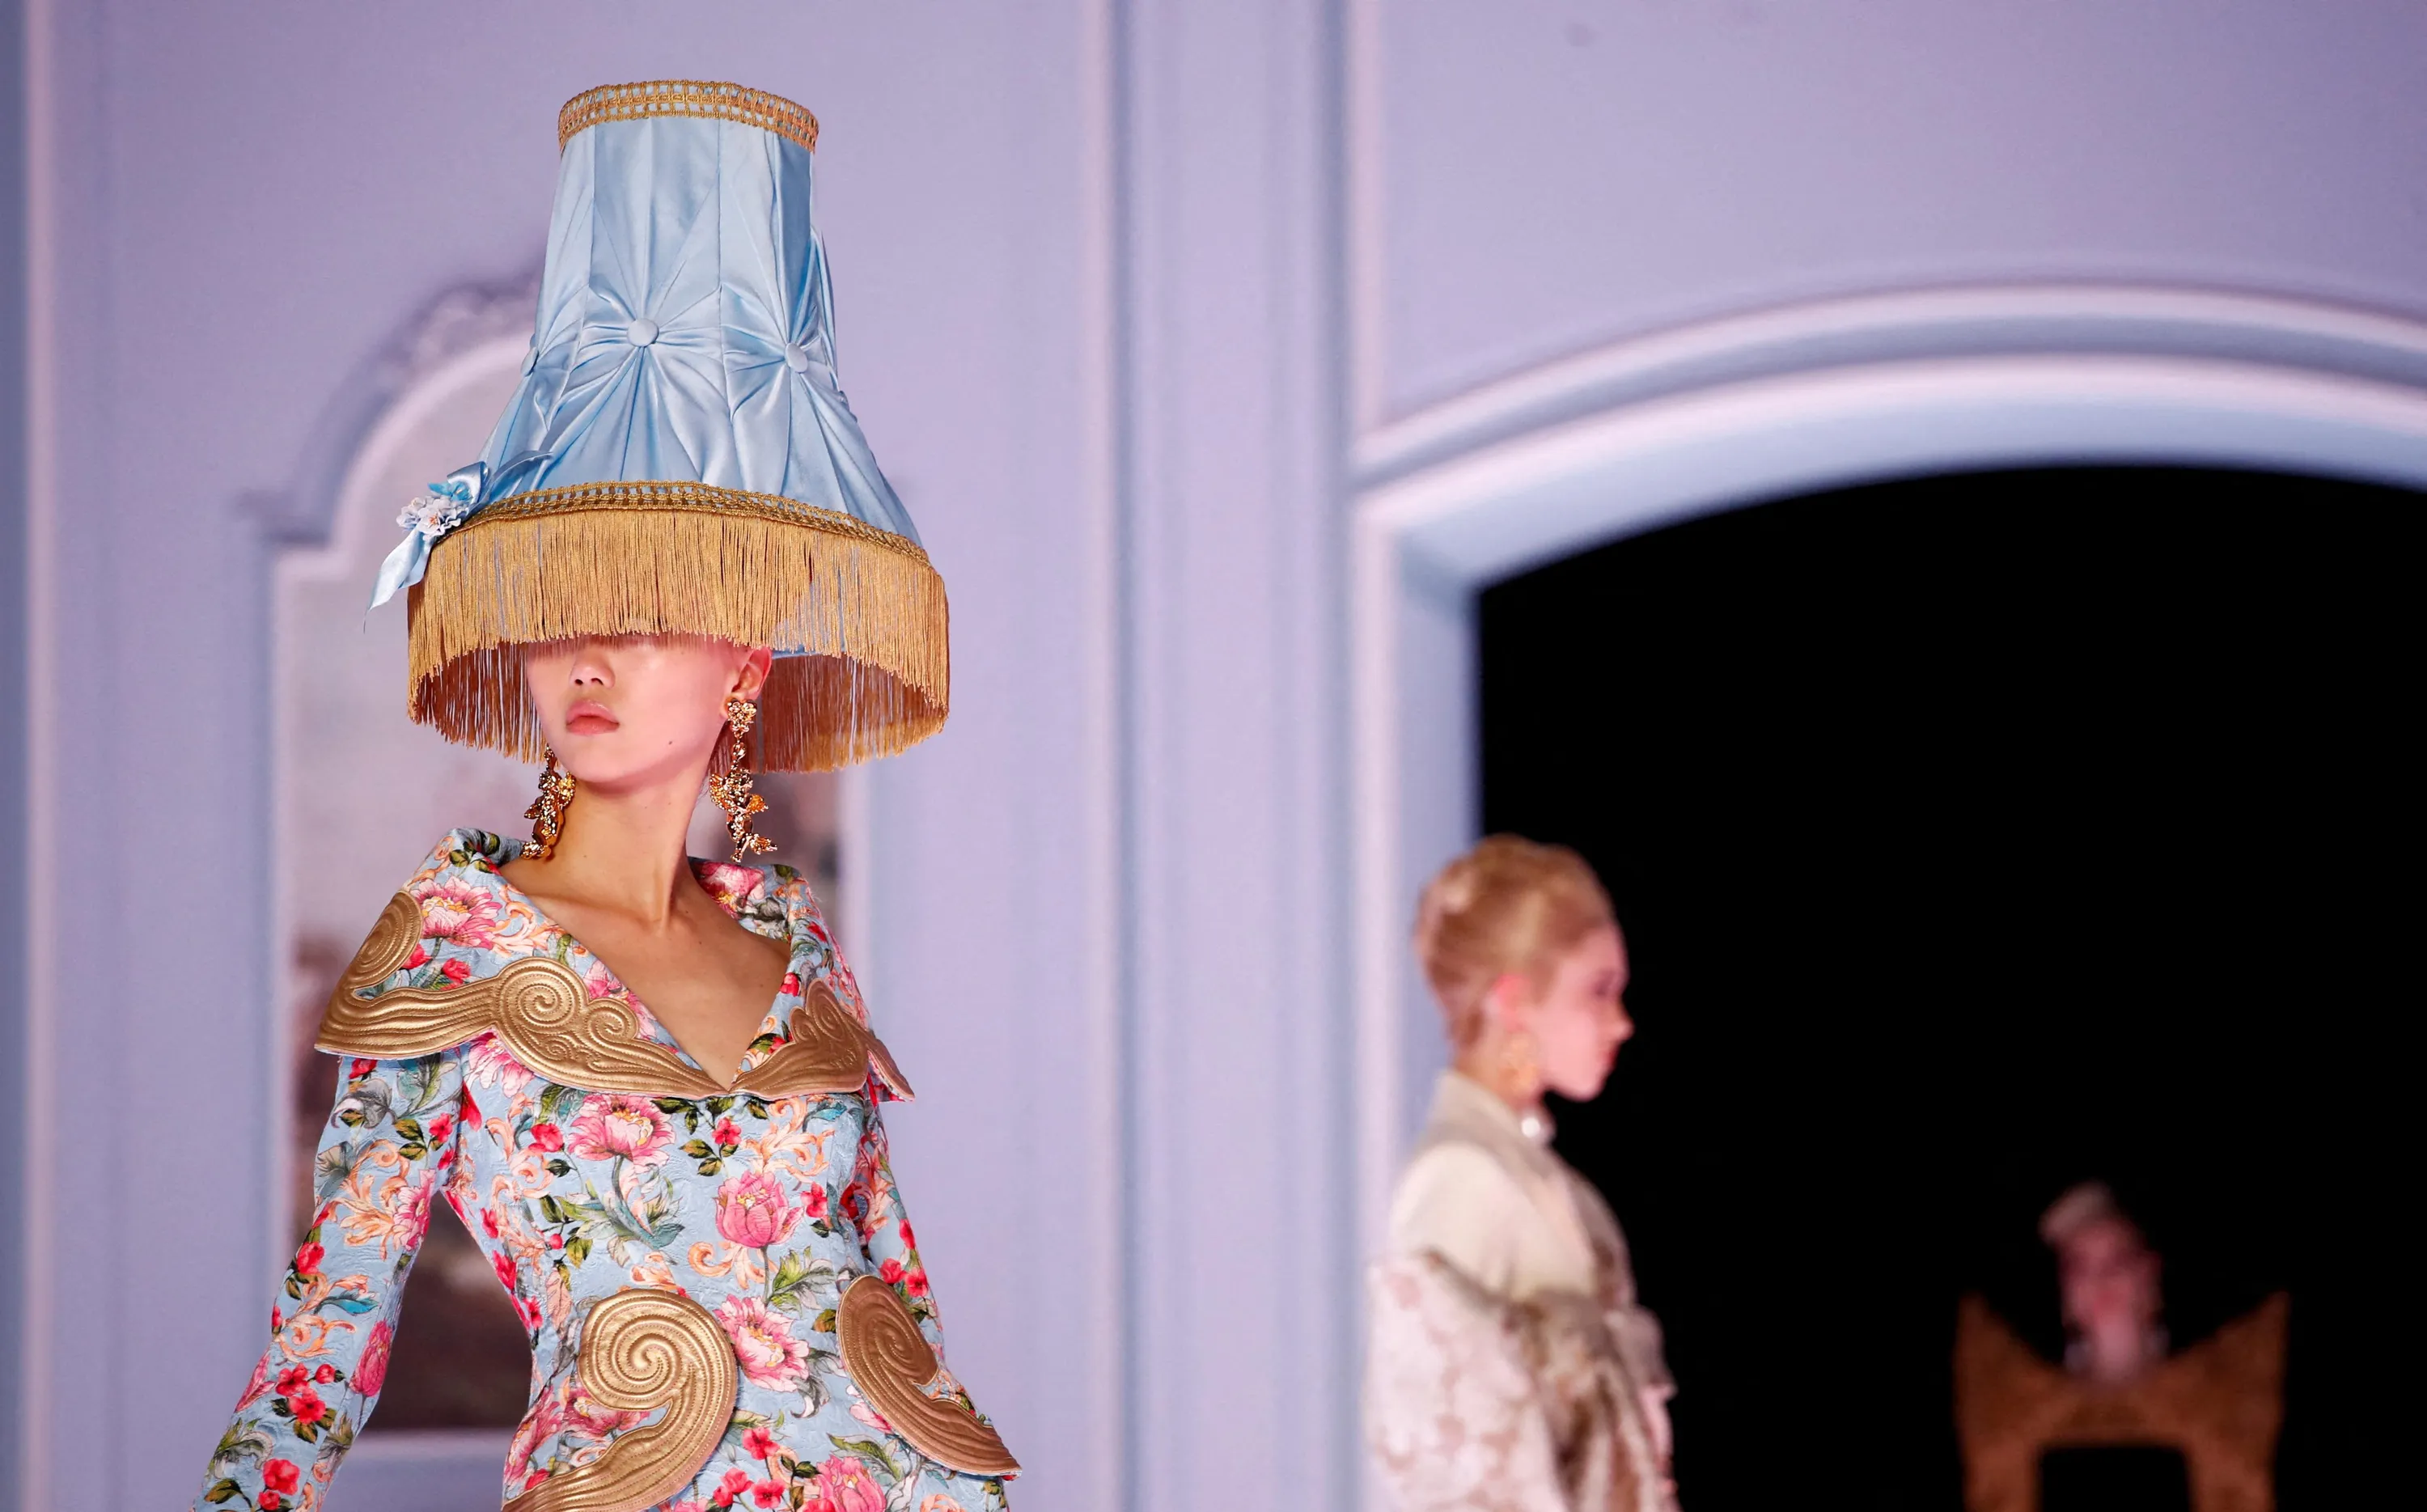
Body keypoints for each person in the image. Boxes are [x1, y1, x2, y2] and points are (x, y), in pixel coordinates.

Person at [197, 80, 1012, 1512]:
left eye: (642, 610)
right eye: (559, 606)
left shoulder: (790, 937)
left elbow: (898, 1301)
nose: (587, 655)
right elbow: (325, 1339)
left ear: (744, 658)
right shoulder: (455, 941)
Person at [1366, 836, 1678, 1512]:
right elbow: (1451, 1467)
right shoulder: (1459, 1179)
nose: (1620, 1023)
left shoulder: (1553, 1185)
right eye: (1597, 991)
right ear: (1514, 1000)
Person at [1955, 1183, 2285, 1512]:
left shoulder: (2223, 1392)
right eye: (2080, 1266)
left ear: (2150, 1272)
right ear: (2063, 1289)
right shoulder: (2018, 1408)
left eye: (2119, 1259)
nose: (2101, 1278)